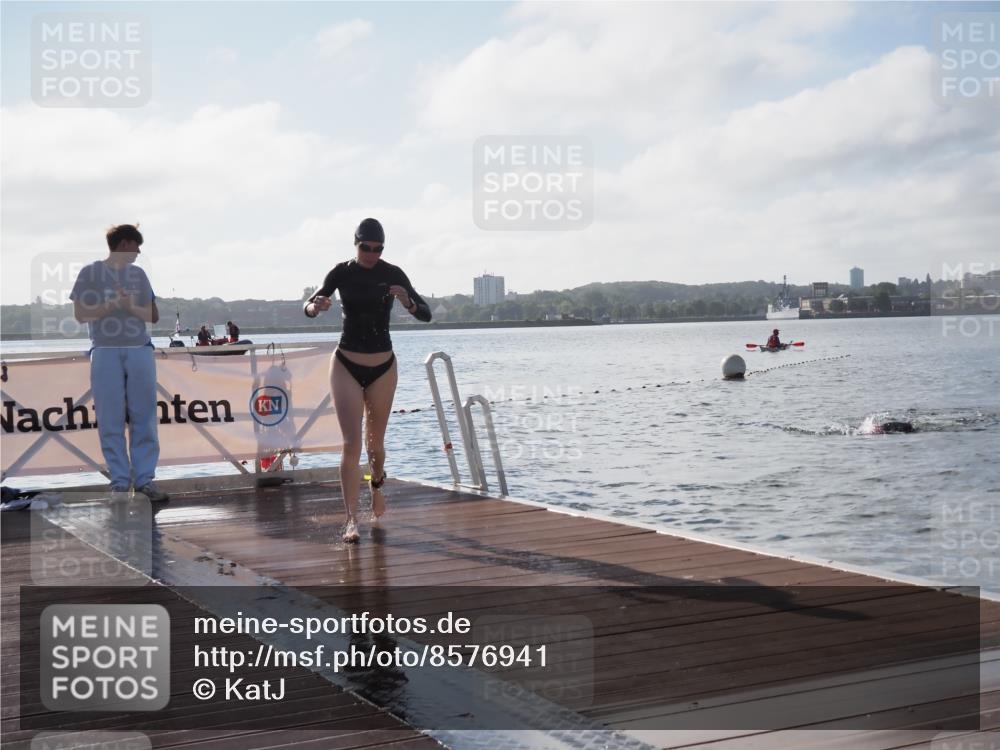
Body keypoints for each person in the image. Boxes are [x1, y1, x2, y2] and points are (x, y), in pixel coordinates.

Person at [304, 218, 431, 542]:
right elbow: (309, 305)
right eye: (366, 248)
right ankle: (351, 520)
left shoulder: (392, 273)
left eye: (377, 249)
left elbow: (425, 313)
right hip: (346, 362)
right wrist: (315, 306)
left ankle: (376, 484)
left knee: (375, 446)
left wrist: (408, 302)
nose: (371, 254)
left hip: (383, 367)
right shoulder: (341, 272)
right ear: (356, 244)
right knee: (352, 444)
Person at [71, 224, 169, 503]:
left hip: (139, 350)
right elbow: (80, 314)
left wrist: (128, 306)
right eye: (136, 246)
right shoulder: (90, 273)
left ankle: (145, 481)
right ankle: (119, 483)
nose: (138, 252)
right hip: (104, 351)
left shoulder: (139, 275)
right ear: (125, 244)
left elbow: (152, 315)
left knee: (145, 418)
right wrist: (112, 304)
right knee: (110, 418)